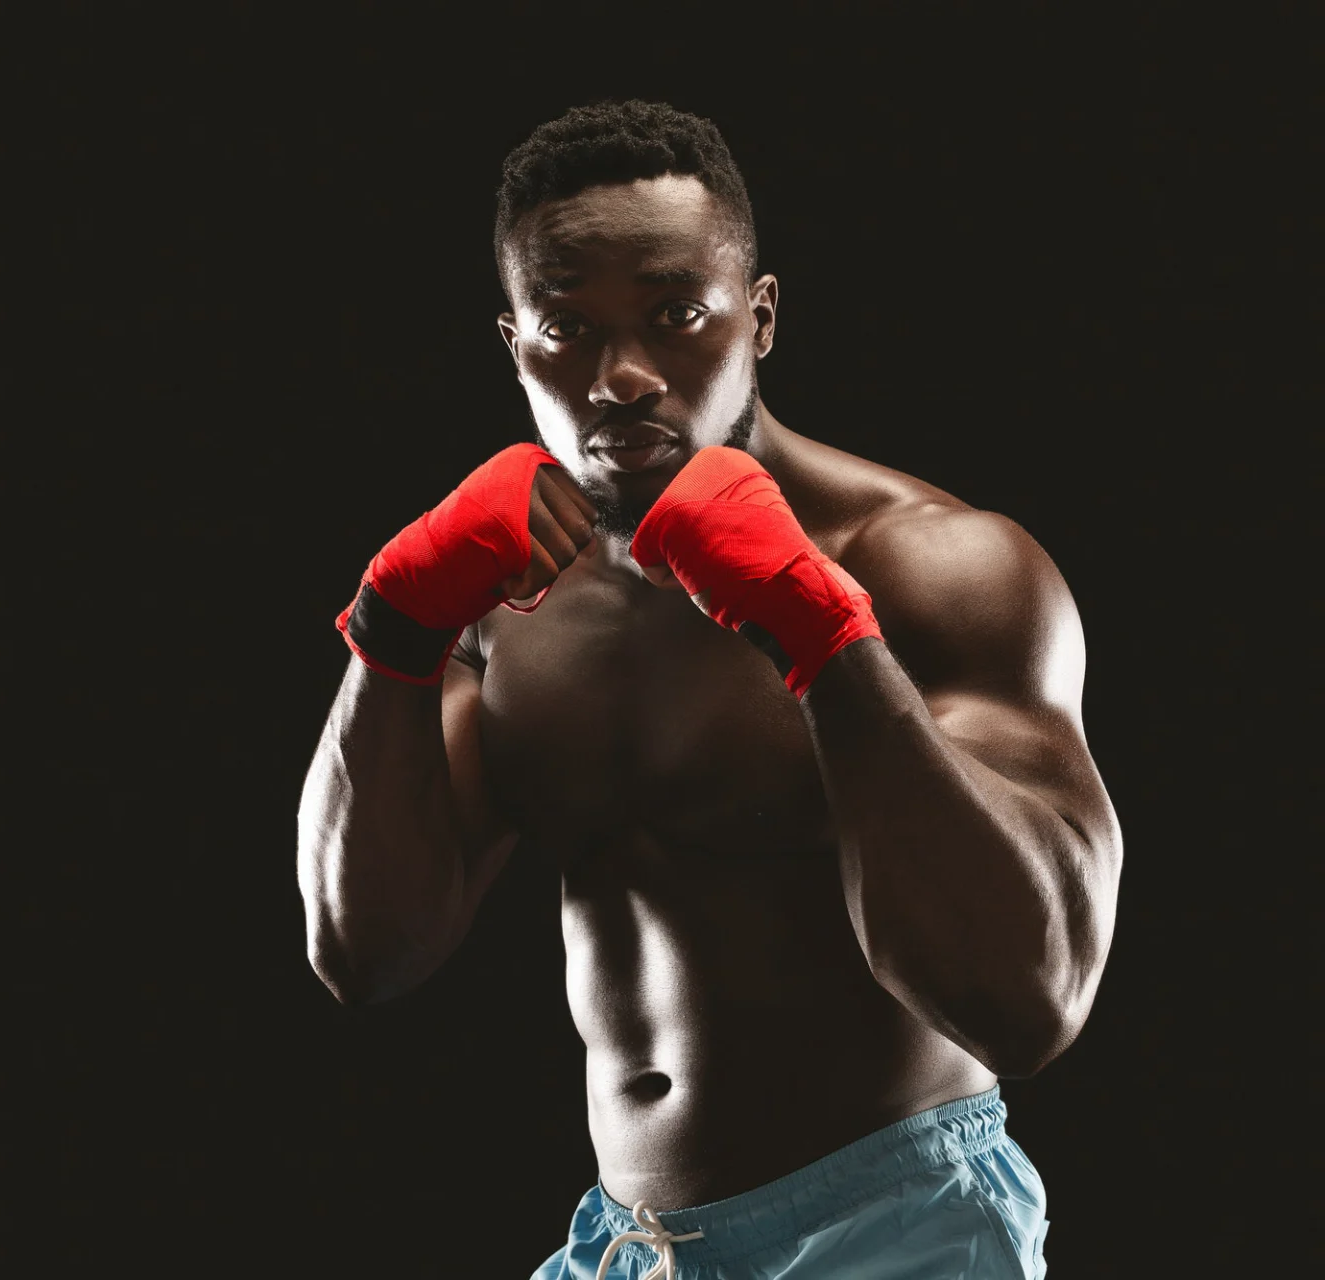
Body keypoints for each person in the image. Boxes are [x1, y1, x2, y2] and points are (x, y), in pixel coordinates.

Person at [295, 100, 1122, 1278]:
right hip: (633, 1244)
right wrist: (390, 629)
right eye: (567, 327)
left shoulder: (938, 567)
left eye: (676, 314)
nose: (622, 375)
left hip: (895, 1229)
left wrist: (825, 634)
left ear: (760, 316)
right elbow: (363, 947)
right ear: (516, 345)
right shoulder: (504, 600)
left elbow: (1029, 999)